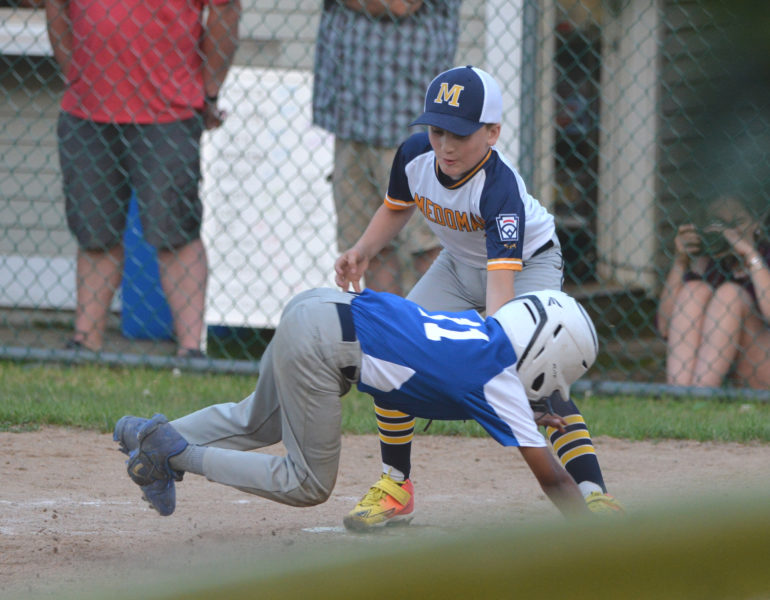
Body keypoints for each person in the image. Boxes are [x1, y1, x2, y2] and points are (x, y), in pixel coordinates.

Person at [334, 65, 622, 528]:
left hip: (526, 267)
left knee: (534, 370)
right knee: (393, 352)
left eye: (461, 134)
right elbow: (396, 207)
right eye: (437, 129)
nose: (445, 145)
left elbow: (501, 307)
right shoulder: (415, 155)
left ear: (492, 133)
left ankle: (593, 495)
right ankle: (395, 484)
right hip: (456, 264)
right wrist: (362, 250)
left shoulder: (499, 189)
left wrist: (500, 368)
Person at [114, 287, 598, 521]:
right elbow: (554, 479)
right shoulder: (497, 379)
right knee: (306, 483)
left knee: (257, 421)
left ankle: (144, 433)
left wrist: (522, 413)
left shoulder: (478, 332)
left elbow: (442, 377)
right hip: (324, 348)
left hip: (316, 307)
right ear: (547, 355)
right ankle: (172, 453)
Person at [45, 0, 241, 356]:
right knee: (94, 231)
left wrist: (209, 90)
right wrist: (74, 74)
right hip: (88, 108)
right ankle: (84, 343)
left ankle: (190, 350)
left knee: (176, 231)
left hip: (170, 109)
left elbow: (226, 10)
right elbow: (55, 6)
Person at [312, 0, 461, 294]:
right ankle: (386, 337)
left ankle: (438, 335)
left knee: (428, 247)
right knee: (371, 248)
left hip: (408, 122)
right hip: (351, 114)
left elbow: (400, 4)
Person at [658, 195, 770, 388]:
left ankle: (702, 391)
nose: (728, 232)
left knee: (730, 295)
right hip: (725, 371)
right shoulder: (707, 262)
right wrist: (681, 261)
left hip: (760, 366)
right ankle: (680, 393)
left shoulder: (765, 254)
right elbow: (665, 327)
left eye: (737, 223)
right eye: (718, 224)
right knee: (694, 290)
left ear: (756, 223)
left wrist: (750, 255)